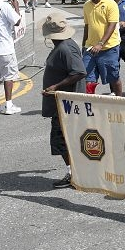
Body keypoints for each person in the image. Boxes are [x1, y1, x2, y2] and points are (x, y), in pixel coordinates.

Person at [40, 12, 86, 189]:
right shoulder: (63, 45)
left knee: (62, 140)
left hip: (65, 104)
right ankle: (76, 171)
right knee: (67, 139)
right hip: (62, 102)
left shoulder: (65, 48)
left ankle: (73, 174)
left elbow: (79, 72)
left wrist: (55, 87)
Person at [82, 0, 122, 96]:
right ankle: (90, 105)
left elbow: (112, 25)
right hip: (90, 48)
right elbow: (87, 26)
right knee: (88, 79)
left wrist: (100, 43)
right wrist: (83, 45)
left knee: (113, 77)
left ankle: (120, 101)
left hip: (108, 48)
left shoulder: (111, 4)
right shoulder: (86, 6)